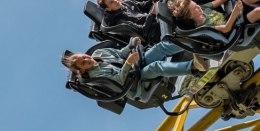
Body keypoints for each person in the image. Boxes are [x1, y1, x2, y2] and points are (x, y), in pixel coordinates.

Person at [61, 38, 198, 100]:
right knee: (156, 67)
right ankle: (194, 67)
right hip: (134, 83)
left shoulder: (99, 53)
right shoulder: (95, 77)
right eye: (83, 63)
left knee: (159, 47)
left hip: (136, 65)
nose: (87, 59)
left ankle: (194, 42)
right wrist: (127, 64)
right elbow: (119, 81)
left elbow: (120, 53)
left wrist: (130, 45)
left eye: (84, 56)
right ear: (83, 70)